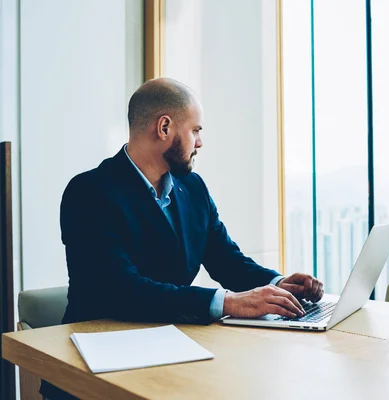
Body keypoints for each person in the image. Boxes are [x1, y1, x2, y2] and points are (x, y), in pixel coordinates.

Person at [40, 78, 324, 400]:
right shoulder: (89, 192)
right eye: (196, 131)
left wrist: (278, 284)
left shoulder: (193, 188)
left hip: (174, 348)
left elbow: (226, 258)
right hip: (98, 365)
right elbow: (121, 290)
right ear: (164, 128)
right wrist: (229, 303)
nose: (200, 142)